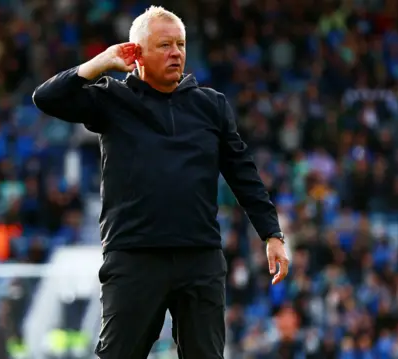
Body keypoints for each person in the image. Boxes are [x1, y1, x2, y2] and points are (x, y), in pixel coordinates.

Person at [32, 6, 289, 358]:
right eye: (164, 45)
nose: (176, 53)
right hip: (135, 256)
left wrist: (271, 233)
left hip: (199, 256)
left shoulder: (211, 105)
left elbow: (242, 172)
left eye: (180, 44)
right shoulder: (112, 99)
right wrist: (101, 62)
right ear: (137, 53)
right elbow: (46, 98)